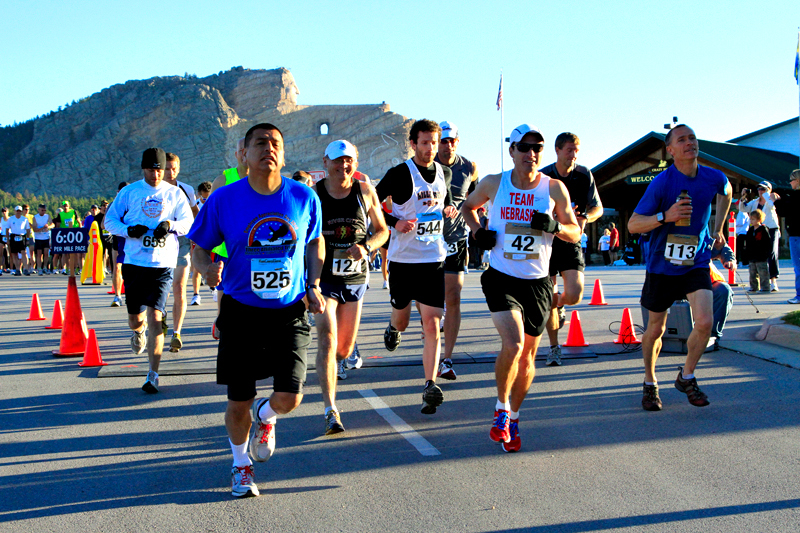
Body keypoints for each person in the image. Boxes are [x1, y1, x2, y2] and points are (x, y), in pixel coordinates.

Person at [189, 123, 324, 499]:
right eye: (260, 143)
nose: (269, 148)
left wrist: (313, 284)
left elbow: (315, 244)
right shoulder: (224, 198)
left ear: (283, 152)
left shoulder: (303, 196)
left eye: (276, 143)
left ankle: (267, 416)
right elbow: (199, 248)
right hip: (241, 311)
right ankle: (240, 465)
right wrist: (204, 267)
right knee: (238, 401)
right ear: (243, 154)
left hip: (290, 310)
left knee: (290, 399)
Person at [462, 123, 580, 453]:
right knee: (512, 344)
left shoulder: (553, 188)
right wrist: (477, 232)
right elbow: (467, 207)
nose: (531, 153)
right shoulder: (493, 183)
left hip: (538, 283)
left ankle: (514, 417)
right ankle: (500, 409)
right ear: (511, 150)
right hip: (501, 277)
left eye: (537, 148)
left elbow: (574, 232)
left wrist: (555, 226)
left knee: (528, 357)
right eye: (524, 147)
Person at [627, 124, 731, 411]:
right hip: (662, 266)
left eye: (692, 138)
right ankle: (650, 382)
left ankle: (687, 376)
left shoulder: (712, 177)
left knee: (706, 323)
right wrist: (665, 215)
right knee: (655, 330)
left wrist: (718, 227)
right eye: (682, 140)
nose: (690, 143)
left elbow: (727, 190)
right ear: (670, 150)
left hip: (695, 261)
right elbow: (633, 224)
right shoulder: (661, 183)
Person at [375, 119, 457, 414]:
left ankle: (429, 385)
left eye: (435, 143)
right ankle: (392, 328)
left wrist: (449, 209)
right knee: (403, 321)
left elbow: (441, 205)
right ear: (412, 143)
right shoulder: (399, 173)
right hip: (402, 261)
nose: (431, 149)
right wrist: (394, 221)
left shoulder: (444, 173)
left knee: (432, 322)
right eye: (425, 143)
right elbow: (373, 203)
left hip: (433, 259)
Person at [313, 139, 388, 434]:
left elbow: (382, 231)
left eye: (349, 161)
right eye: (337, 161)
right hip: (324, 279)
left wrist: (366, 246)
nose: (343, 166)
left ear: (355, 164)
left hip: (355, 278)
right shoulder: (314, 195)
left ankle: (336, 364)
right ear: (325, 163)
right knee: (327, 339)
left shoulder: (365, 192)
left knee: (343, 349)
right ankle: (331, 409)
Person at [104, 148, 194, 394]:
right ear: (143, 168)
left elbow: (189, 223)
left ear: (164, 170)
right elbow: (109, 221)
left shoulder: (174, 193)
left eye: (159, 169)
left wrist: (171, 225)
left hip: (162, 264)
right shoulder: (129, 192)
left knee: (156, 317)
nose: (155, 174)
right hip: (134, 263)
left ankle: (153, 374)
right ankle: (138, 331)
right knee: (136, 318)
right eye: (151, 169)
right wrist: (128, 230)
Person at [539, 132, 603, 366]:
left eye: (577, 150)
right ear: (557, 151)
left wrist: (585, 216)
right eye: (569, 150)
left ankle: (560, 304)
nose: (574, 155)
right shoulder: (545, 176)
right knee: (548, 296)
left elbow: (598, 208)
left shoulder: (584, 174)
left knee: (574, 294)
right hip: (547, 240)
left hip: (571, 239)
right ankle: (554, 347)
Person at [434, 121, 478, 380]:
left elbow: (476, 198)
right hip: (427, 240)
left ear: (457, 142)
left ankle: (446, 358)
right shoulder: (424, 165)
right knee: (429, 304)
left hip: (457, 239)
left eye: (452, 141)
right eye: (443, 140)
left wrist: (476, 228)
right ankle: (432, 337)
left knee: (453, 298)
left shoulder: (469, 167)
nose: (448, 145)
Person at [208, 137, 249, 339]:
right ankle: (222, 322)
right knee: (226, 295)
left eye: (247, 150)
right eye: (240, 150)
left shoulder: (268, 179)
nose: (244, 154)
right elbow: (210, 216)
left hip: (253, 249)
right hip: (226, 250)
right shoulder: (224, 180)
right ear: (236, 154)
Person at [163, 152, 200, 352]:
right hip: (158, 245)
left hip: (182, 243)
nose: (170, 172)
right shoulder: (155, 190)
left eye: (174, 168)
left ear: (179, 168)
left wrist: (200, 235)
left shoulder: (186, 189)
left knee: (178, 287)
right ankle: (160, 316)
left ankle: (176, 333)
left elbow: (196, 214)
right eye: (167, 168)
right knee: (160, 288)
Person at [739, 182, 780, 292]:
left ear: (769, 190)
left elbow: (771, 206)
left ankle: (773, 281)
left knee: (771, 253)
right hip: (759, 228)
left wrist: (767, 194)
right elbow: (743, 209)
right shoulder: (755, 202)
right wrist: (743, 197)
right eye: (759, 189)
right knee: (758, 253)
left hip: (771, 228)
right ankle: (757, 283)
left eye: (763, 189)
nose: (760, 191)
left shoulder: (771, 199)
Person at [773, 170, 800, 303]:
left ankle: (799, 295)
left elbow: (785, 212)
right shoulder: (792, 196)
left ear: (798, 180)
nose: (790, 182)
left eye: (792, 179)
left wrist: (776, 201)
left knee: (798, 266)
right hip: (795, 235)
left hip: (796, 235)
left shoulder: (794, 197)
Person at [190, 181, 213, 306]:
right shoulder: (195, 206)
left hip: (213, 240)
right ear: (198, 195)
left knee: (215, 265)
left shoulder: (214, 203)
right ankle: (196, 294)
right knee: (196, 268)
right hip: (199, 239)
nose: (205, 200)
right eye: (204, 198)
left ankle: (214, 288)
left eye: (208, 197)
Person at [105, 182, 128, 307]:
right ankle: (117, 295)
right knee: (117, 267)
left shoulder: (133, 202)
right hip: (117, 239)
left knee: (133, 268)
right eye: (120, 192)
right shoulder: (113, 205)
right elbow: (104, 224)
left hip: (132, 239)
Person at [54, 200, 82, 276]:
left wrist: (80, 232)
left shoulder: (73, 212)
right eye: (64, 206)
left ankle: (76, 267)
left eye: (66, 205)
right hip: (65, 234)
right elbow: (58, 225)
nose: (65, 207)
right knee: (65, 252)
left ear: (69, 206)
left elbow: (79, 222)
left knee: (75, 252)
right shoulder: (60, 214)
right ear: (62, 207)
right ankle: (65, 268)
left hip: (74, 233)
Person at [745, 210, 771, 293]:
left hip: (761, 255)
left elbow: (767, 242)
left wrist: (767, 253)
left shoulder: (763, 229)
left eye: (753, 219)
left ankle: (765, 287)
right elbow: (748, 242)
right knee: (752, 273)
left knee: (763, 273)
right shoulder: (750, 230)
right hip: (752, 255)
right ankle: (754, 287)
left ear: (759, 220)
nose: (751, 221)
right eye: (750, 219)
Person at [7, 206, 31, 275]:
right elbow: (7, 229)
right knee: (14, 254)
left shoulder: (24, 219)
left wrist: (28, 238)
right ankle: (18, 269)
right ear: (15, 211)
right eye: (17, 211)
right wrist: (8, 239)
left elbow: (28, 229)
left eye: (19, 211)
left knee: (24, 253)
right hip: (13, 236)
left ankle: (26, 269)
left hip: (22, 236)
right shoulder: (11, 219)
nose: (18, 212)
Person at [32, 204, 53, 275]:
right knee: (39, 254)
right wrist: (41, 229)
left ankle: (45, 267)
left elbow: (53, 224)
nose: (43, 212)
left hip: (46, 238)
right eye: (42, 210)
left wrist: (48, 226)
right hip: (38, 238)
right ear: (39, 209)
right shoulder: (35, 217)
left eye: (44, 210)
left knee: (46, 253)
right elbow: (34, 228)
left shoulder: (47, 216)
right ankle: (39, 268)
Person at [735, 203, 749, 268]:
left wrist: (734, 223)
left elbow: (740, 223)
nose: (736, 206)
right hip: (742, 233)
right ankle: (743, 261)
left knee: (740, 248)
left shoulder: (742, 212)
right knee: (741, 248)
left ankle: (743, 262)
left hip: (742, 233)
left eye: (737, 204)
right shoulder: (743, 212)